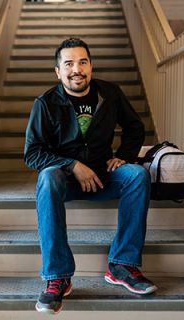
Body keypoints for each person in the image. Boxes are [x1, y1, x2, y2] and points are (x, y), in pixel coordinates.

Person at [24, 37, 157, 315]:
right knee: (47, 179)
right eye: (69, 63)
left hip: (103, 174)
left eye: (83, 62)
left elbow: (135, 127)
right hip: (65, 179)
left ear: (91, 66)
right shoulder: (45, 103)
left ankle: (122, 265)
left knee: (136, 176)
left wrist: (125, 156)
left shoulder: (110, 94)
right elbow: (33, 152)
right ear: (58, 71)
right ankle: (57, 276)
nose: (77, 69)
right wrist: (72, 165)